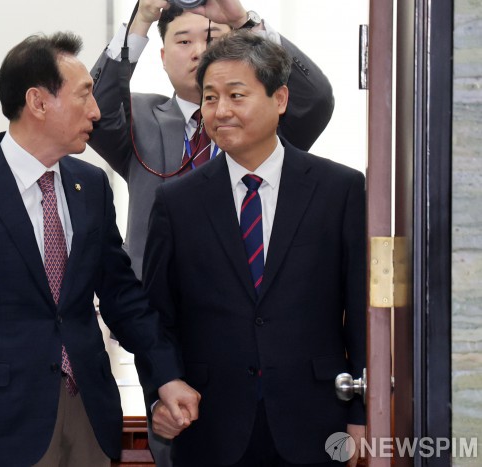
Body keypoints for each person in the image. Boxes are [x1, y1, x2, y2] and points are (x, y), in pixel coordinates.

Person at [0, 32, 200, 467]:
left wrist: (166, 374)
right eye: (84, 95)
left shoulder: (90, 185)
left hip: (87, 414)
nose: (96, 111)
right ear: (37, 102)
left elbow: (122, 297)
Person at [141, 29, 366, 466]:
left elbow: (361, 313)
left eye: (236, 95)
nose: (220, 110)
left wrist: (360, 413)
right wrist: (160, 392)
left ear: (279, 99)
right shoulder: (177, 201)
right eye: (210, 98)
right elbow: (157, 316)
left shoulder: (339, 189)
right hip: (210, 424)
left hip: (317, 420)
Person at [89, 0, 335, 278]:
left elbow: (315, 99)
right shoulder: (140, 117)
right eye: (184, 42)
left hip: (252, 291)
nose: (200, 52)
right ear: (163, 57)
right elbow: (91, 111)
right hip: (157, 296)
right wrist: (140, 23)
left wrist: (245, 23)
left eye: (213, 39)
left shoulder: (266, 121)